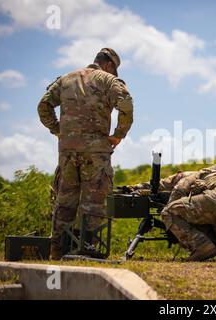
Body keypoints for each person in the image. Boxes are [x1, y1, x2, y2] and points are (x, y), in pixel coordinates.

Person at [38, 48, 134, 260]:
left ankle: (58, 250)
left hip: (67, 150)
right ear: (109, 65)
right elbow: (126, 104)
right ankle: (88, 248)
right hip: (96, 151)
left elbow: (43, 106)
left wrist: (59, 130)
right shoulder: (108, 80)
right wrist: (118, 135)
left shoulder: (66, 79)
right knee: (94, 199)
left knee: (65, 199)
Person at [130, 164, 216, 262]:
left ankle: (201, 245)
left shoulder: (202, 173)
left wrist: (173, 209)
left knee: (168, 212)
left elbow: (179, 187)